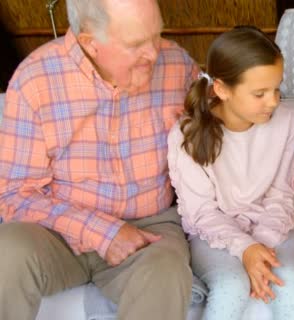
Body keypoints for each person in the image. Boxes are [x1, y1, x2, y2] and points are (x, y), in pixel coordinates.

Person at [0, 0, 199, 319]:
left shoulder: (178, 64)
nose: (154, 53)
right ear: (90, 43)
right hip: (57, 233)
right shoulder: (35, 80)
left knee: (166, 271)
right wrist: (104, 232)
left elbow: (218, 134)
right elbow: (14, 194)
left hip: (150, 229)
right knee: (6, 250)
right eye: (136, 44)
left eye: (156, 35)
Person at [167, 26, 294, 320]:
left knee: (289, 282)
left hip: (275, 229)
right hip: (214, 235)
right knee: (231, 285)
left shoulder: (288, 124)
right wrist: (245, 249)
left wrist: (260, 246)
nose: (272, 102)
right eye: (259, 93)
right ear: (221, 89)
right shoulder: (187, 135)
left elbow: (281, 196)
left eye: (277, 89)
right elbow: (202, 212)